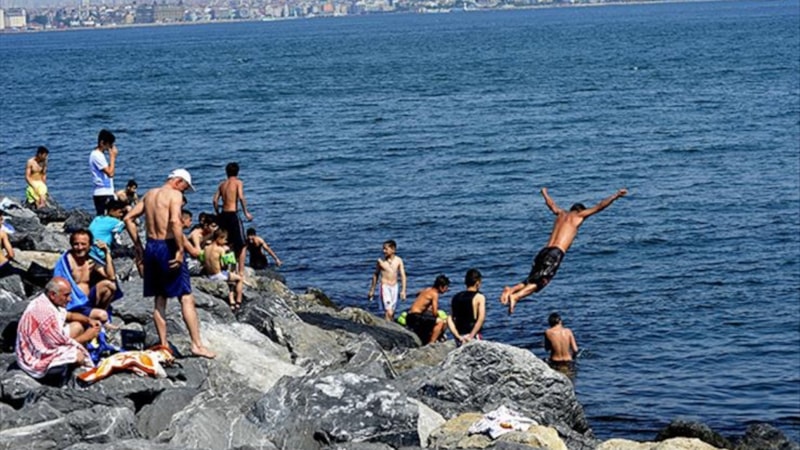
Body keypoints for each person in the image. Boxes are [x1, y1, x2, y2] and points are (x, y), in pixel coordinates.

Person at [124, 168, 215, 358]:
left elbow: (128, 218)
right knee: (186, 296)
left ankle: (164, 345)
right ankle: (196, 344)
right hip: (168, 245)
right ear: (179, 181)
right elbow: (175, 221)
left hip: (151, 246)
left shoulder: (150, 194)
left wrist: (138, 246)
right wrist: (181, 250)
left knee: (159, 299)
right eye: (185, 187)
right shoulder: (175, 195)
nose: (184, 192)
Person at [500, 187, 628, 314]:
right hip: (555, 253)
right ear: (580, 210)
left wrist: (544, 193)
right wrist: (615, 196)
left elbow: (551, 205)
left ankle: (511, 289)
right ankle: (516, 297)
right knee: (541, 282)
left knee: (532, 279)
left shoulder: (561, 213)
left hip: (544, 250)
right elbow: (600, 206)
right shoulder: (579, 215)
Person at [15, 277, 99, 386]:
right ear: (52, 295)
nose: (69, 299)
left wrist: (89, 320)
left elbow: (69, 315)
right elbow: (52, 347)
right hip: (34, 357)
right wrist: (87, 337)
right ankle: (69, 379)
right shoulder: (45, 311)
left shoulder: (49, 302)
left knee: (77, 327)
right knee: (78, 356)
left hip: (48, 343)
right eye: (66, 295)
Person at [53, 229, 119, 324]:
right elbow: (57, 285)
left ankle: (98, 311)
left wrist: (107, 253)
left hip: (88, 301)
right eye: (76, 244)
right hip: (73, 304)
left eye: (83, 244)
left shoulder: (91, 261)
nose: (80, 248)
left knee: (109, 285)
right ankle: (97, 318)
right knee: (102, 316)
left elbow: (111, 276)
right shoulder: (65, 262)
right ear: (71, 245)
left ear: (90, 245)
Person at [212, 162, 252, 278]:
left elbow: (215, 200)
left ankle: (229, 268)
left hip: (223, 214)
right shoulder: (238, 182)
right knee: (242, 244)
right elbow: (240, 197)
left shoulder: (222, 184)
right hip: (233, 214)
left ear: (226, 172)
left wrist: (217, 213)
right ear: (237, 172)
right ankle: (240, 271)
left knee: (228, 243)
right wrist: (246, 213)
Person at [203, 229, 244, 311]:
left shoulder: (206, 248)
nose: (225, 242)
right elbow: (225, 264)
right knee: (239, 279)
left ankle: (232, 302)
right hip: (218, 275)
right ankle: (238, 302)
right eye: (224, 239)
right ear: (218, 238)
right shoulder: (220, 250)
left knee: (230, 278)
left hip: (209, 275)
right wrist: (227, 251)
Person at [367, 240, 407, 321]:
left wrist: (403, 291)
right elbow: (376, 275)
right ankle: (387, 327)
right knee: (389, 311)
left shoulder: (398, 260)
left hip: (395, 287)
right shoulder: (380, 261)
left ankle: (389, 326)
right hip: (384, 287)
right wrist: (372, 290)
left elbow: (403, 275)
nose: (383, 251)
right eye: (383, 249)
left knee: (392, 311)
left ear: (393, 250)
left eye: (386, 249)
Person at [405, 274, 450, 345]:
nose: (447, 290)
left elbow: (418, 294)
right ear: (441, 287)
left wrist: (425, 306)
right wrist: (438, 316)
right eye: (446, 288)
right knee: (440, 322)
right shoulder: (435, 294)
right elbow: (435, 312)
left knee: (430, 319)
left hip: (410, 315)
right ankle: (431, 343)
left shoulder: (428, 289)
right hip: (415, 317)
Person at [447, 268, 486, 346]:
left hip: (460, 335)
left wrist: (457, 336)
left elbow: (449, 319)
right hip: (473, 334)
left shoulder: (456, 297)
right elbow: (481, 319)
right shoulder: (479, 297)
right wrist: (471, 336)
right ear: (477, 283)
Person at [89, 129, 118, 216]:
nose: (110, 148)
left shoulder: (100, 155)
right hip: (102, 193)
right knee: (105, 218)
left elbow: (109, 171)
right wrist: (112, 157)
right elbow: (110, 173)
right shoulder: (96, 155)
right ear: (102, 143)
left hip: (106, 192)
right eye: (109, 145)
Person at [88, 199, 127, 264]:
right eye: (120, 212)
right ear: (112, 211)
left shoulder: (97, 218)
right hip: (102, 253)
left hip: (90, 251)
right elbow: (128, 223)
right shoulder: (115, 222)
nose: (121, 215)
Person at [544, 312, 579, 378]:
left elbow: (547, 348)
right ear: (560, 321)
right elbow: (575, 349)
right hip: (568, 361)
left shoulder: (548, 332)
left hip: (555, 362)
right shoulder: (568, 331)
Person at [0, 212, 20, 279]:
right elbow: (11, 254)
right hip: (3, 265)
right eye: (1, 219)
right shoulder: (2, 234)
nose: (2, 222)